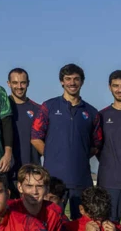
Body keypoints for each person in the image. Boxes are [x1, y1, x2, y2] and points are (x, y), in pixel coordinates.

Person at [31, 64, 102, 218]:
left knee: (83, 224)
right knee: (51, 222)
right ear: (62, 82)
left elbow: (96, 144)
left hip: (81, 179)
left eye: (76, 79)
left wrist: (78, 156)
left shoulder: (91, 112)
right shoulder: (48, 107)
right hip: (54, 179)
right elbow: (36, 138)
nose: (72, 83)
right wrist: (53, 156)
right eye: (68, 79)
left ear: (82, 82)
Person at [96, 70, 121, 223]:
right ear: (109, 87)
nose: (120, 90)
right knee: (107, 227)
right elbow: (96, 147)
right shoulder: (101, 116)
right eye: (116, 86)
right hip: (108, 182)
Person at [7, 68, 41, 180]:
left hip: (31, 173)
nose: (19, 86)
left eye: (23, 83)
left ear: (28, 83)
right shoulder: (1, 108)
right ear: (8, 84)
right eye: (15, 83)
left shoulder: (38, 110)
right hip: (7, 171)